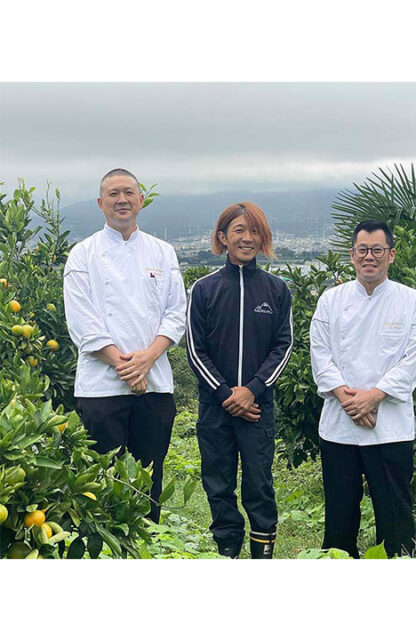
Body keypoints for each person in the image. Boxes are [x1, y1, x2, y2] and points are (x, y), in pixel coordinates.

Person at [63, 168, 186, 523]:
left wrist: (146, 360)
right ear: (101, 204)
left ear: (141, 199)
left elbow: (175, 315)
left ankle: (148, 552)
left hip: (156, 388)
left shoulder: (163, 252)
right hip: (101, 391)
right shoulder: (83, 255)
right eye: (113, 194)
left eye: (128, 193)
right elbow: (83, 324)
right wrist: (127, 367)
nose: (122, 200)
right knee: (102, 485)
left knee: (149, 482)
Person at [309, 220, 416, 558]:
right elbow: (320, 354)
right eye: (362, 250)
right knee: (339, 516)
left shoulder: (411, 301)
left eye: (377, 250)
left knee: (395, 518)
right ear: (351, 255)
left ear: (391, 255)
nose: (369, 257)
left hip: (389, 428)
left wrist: (374, 396)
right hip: (340, 428)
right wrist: (350, 401)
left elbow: (412, 361)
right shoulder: (331, 300)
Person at [185, 203, 292, 559]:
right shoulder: (203, 289)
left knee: (260, 485)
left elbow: (283, 345)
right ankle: (227, 553)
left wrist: (252, 391)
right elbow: (195, 349)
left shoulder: (276, 289)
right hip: (215, 409)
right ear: (222, 238)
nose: (247, 238)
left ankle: (262, 558)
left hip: (258, 409)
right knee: (218, 485)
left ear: (263, 238)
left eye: (255, 231)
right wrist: (226, 394)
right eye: (239, 231)